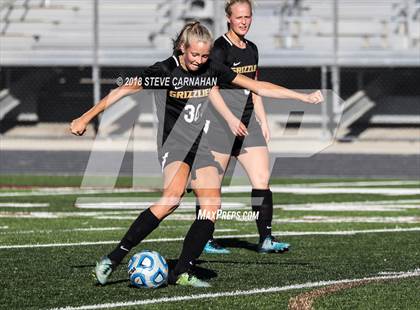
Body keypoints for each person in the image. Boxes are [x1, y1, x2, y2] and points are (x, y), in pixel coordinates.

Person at [70, 21, 323, 288]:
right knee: (172, 199)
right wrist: (85, 118)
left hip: (203, 147)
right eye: (195, 55)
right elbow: (121, 90)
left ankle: (182, 270)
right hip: (175, 146)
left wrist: (301, 98)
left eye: (204, 56)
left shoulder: (211, 69)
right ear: (182, 48)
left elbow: (256, 86)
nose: (199, 61)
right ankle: (114, 257)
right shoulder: (164, 70)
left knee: (211, 207)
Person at [198, 0, 291, 254]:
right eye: (239, 17)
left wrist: (262, 118)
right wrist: (229, 119)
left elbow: (254, 87)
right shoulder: (218, 49)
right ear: (228, 18)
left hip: (248, 123)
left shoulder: (252, 48)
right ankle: (204, 238)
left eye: (247, 17)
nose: (244, 21)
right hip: (221, 125)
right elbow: (210, 88)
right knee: (212, 186)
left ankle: (266, 239)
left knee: (262, 179)